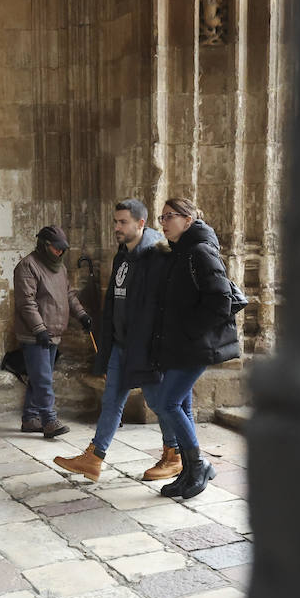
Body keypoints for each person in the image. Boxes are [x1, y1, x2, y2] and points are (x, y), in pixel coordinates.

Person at [53, 199, 191, 483]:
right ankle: (94, 457)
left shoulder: (157, 256)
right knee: (112, 398)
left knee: (158, 400)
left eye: (123, 222)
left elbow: (160, 308)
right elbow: (114, 305)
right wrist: (107, 349)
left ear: (141, 223)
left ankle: (174, 454)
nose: (116, 227)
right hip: (120, 344)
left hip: (144, 347)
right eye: (115, 221)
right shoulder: (122, 255)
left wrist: (153, 347)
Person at [147, 198, 240, 499]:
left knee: (166, 402)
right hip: (179, 344)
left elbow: (220, 301)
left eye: (169, 216)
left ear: (188, 220)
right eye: (161, 217)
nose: (163, 222)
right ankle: (190, 470)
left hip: (193, 345)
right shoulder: (180, 252)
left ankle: (197, 466)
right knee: (181, 405)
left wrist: (189, 332)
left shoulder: (199, 251)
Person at [12, 225, 91, 438]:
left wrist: (82, 315)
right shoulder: (27, 266)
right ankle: (49, 420)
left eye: (62, 249)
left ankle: (30, 419)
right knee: (43, 379)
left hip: (54, 332)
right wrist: (39, 329)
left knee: (39, 377)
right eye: (56, 248)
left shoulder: (60, 268)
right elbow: (26, 303)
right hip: (35, 334)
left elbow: (69, 295)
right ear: (44, 245)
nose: (60, 252)